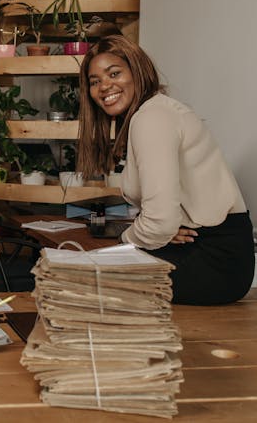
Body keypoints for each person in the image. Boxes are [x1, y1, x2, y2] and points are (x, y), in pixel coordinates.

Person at [76, 35, 253, 305]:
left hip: (215, 261)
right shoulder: (153, 112)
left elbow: (160, 222)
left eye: (114, 73)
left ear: (137, 71)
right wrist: (162, 232)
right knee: (84, 271)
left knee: (81, 279)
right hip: (203, 248)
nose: (104, 86)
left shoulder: (152, 117)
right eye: (95, 81)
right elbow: (164, 222)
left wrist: (126, 238)